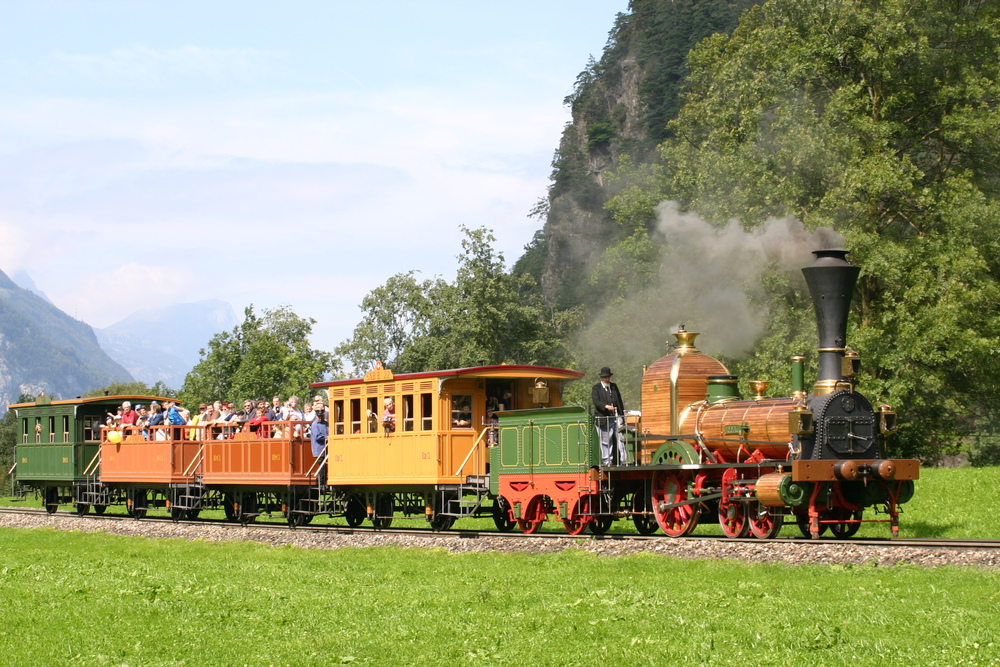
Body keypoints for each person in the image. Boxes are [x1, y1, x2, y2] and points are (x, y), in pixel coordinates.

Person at [592, 366, 626, 467]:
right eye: (605, 377)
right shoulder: (596, 388)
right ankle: (607, 461)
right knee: (606, 441)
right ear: (601, 378)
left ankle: (624, 460)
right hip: (604, 418)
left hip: (615, 417)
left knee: (621, 439)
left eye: (608, 377)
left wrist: (622, 416)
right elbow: (596, 401)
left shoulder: (614, 386)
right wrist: (605, 406)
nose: (607, 379)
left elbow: (619, 401)